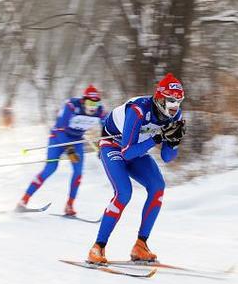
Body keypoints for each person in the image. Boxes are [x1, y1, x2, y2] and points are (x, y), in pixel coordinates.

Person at [87, 73, 186, 264]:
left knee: (158, 186)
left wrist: (174, 141)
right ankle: (97, 247)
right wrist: (157, 138)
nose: (175, 106)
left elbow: (167, 158)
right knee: (124, 193)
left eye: (179, 101)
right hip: (114, 146)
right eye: (171, 100)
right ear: (160, 97)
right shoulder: (138, 109)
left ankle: (141, 245)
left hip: (137, 149)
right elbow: (126, 153)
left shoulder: (175, 116)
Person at [17, 85, 107, 216]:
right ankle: (23, 200)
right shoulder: (72, 106)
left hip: (76, 140)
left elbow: (108, 126)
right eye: (89, 102)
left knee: (78, 173)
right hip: (58, 139)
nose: (92, 106)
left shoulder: (100, 111)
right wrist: (69, 149)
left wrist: (103, 145)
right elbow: (60, 129)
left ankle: (69, 206)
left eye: (95, 102)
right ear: (83, 100)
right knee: (50, 169)